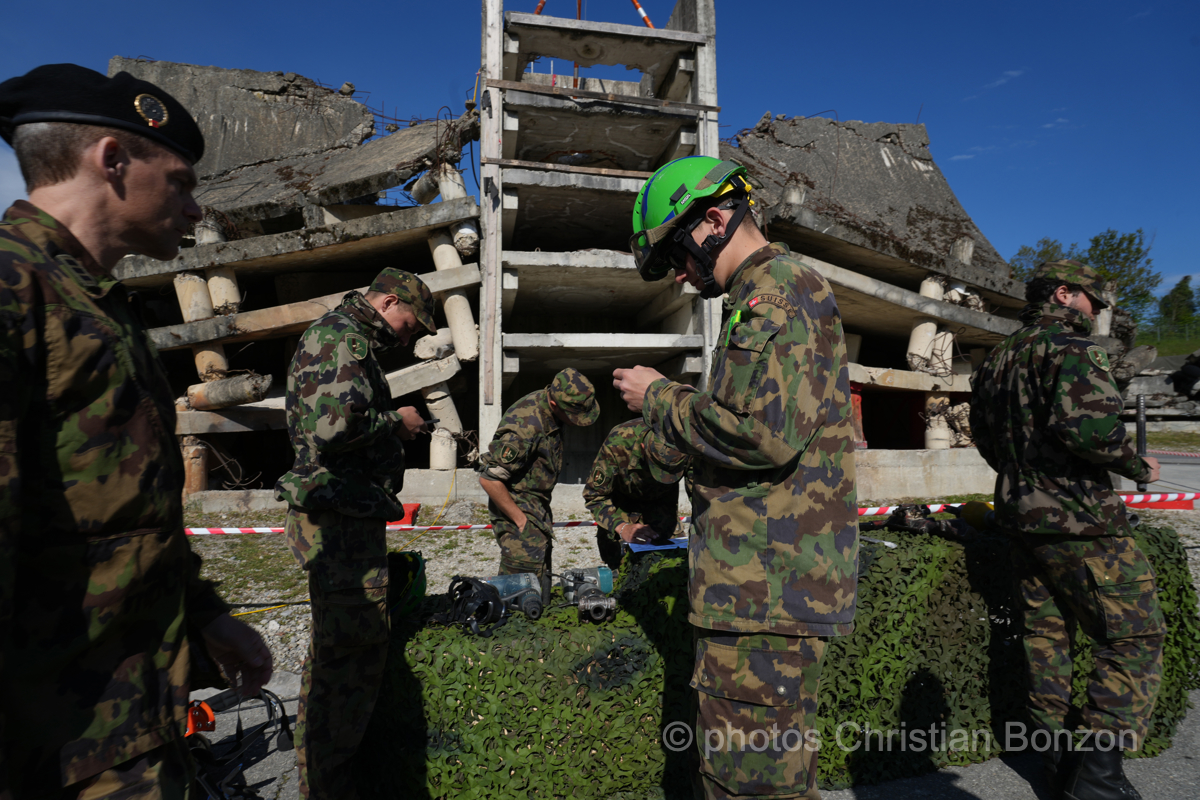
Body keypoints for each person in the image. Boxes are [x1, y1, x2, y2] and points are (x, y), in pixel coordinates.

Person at [0, 64, 272, 799]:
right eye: (180, 182)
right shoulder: (13, 289)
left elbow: (121, 511)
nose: (193, 209)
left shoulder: (100, 308)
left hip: (130, 732)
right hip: (48, 751)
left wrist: (206, 615)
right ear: (113, 161)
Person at [613, 156, 859, 800]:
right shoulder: (767, 294)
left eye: (678, 257)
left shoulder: (777, 292)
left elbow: (762, 433)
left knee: (749, 785)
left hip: (765, 591)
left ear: (713, 220)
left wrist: (661, 397)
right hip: (760, 587)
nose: (684, 278)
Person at [969, 260, 1165, 800]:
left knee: (1046, 637)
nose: (1097, 313)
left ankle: (1056, 765)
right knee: (1134, 637)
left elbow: (984, 436)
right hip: (1081, 519)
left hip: (1022, 516)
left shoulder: (998, 360)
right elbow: (1090, 429)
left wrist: (1022, 474)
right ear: (1064, 293)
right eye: (1093, 302)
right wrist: (1135, 463)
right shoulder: (1073, 350)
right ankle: (1097, 780)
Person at [275, 267, 436, 799]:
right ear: (390, 302)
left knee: (340, 650)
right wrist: (399, 422)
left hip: (345, 518)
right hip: (338, 522)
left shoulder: (342, 338)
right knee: (347, 658)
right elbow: (334, 426)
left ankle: (329, 775)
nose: (411, 335)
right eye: (412, 323)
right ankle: (329, 784)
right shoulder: (342, 338)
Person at [477, 368, 599, 577]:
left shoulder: (549, 408)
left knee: (540, 572)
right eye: (574, 415)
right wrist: (521, 520)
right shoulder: (525, 428)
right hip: (519, 506)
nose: (576, 421)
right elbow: (489, 479)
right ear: (554, 404)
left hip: (536, 506)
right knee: (522, 584)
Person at [583, 419, 690, 571]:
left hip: (663, 508)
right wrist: (622, 527)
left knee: (671, 570)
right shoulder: (617, 443)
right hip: (621, 507)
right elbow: (594, 496)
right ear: (643, 448)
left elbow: (701, 496)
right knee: (623, 571)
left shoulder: (688, 444)